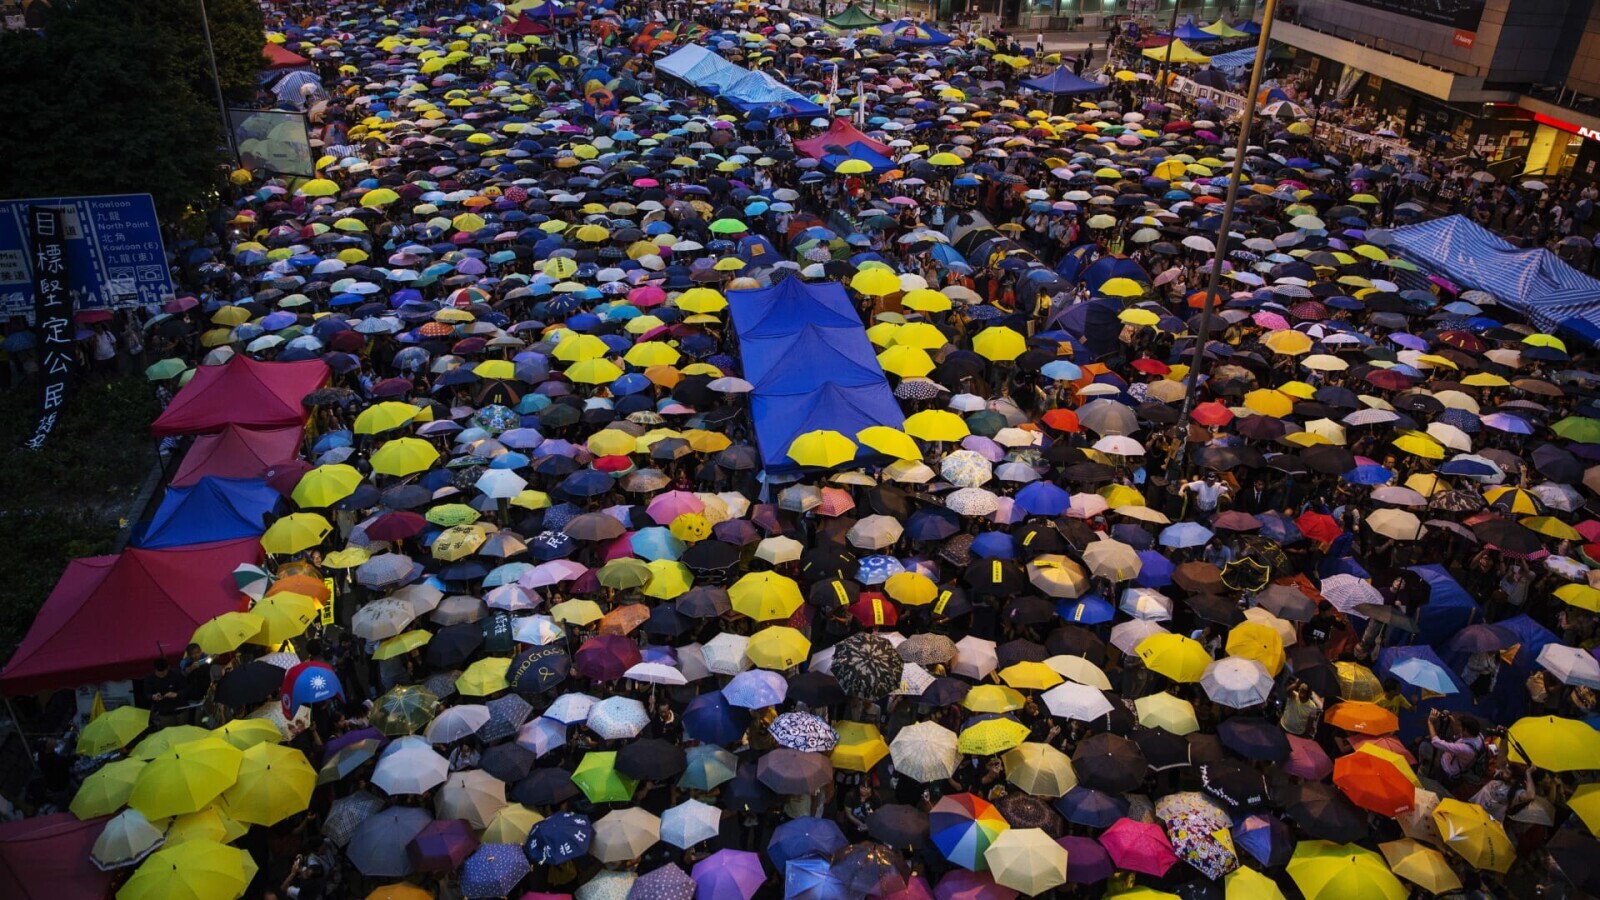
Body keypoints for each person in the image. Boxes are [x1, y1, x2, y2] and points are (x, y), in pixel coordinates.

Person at [143, 657, 187, 728]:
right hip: (164, 711)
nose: (161, 676)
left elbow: (187, 688)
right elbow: (147, 693)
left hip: (180, 708)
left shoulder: (176, 674)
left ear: (168, 668)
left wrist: (177, 694)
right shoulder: (150, 679)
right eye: (159, 674)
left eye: (163, 673)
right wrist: (153, 696)